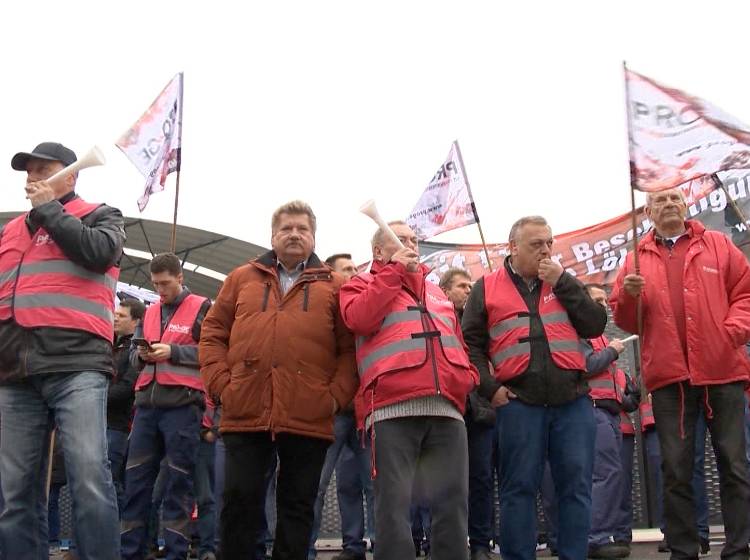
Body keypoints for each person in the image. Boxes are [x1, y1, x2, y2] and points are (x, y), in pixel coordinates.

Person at [200, 200, 358, 560]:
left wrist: (333, 398)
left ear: (314, 237)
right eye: (286, 228)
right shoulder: (241, 278)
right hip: (245, 407)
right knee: (238, 503)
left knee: (298, 506)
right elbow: (212, 333)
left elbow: (349, 350)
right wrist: (223, 385)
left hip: (309, 411)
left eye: (302, 228)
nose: (294, 234)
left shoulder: (334, 285)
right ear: (273, 235)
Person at [611, 187, 750, 560]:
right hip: (671, 382)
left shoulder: (718, 244)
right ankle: (684, 549)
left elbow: (746, 294)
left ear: (685, 206)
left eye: (675, 198)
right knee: (675, 469)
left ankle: (739, 547)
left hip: (722, 373)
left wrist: (731, 332)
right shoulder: (635, 260)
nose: (669, 204)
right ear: (647, 211)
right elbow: (625, 320)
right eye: (661, 201)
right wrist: (627, 296)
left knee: (735, 465)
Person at [0, 142, 124, 559]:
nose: (34, 177)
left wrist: (51, 210)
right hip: (14, 371)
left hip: (77, 364)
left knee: (89, 476)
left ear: (70, 176)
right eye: (29, 171)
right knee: (15, 490)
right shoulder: (11, 230)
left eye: (45, 170)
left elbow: (99, 253)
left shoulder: (101, 215)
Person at [462, 215, 606, 560]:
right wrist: (490, 388)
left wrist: (565, 282)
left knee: (576, 488)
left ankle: (573, 554)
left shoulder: (565, 281)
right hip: (518, 404)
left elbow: (594, 324)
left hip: (572, 401)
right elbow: (469, 345)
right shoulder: (486, 288)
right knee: (518, 490)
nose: (545, 251)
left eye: (549, 243)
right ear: (512, 248)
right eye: (536, 244)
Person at [339, 220, 478, 560]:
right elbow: (359, 319)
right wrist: (393, 273)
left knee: (453, 505)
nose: (410, 244)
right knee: (393, 507)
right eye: (399, 239)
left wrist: (468, 378)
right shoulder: (360, 284)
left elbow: (456, 340)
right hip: (390, 410)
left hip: (446, 409)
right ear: (377, 251)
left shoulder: (437, 292)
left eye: (413, 239)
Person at [120, 252, 212, 560]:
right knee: (135, 485)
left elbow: (212, 353)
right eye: (156, 284)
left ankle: (176, 553)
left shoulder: (202, 307)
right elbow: (133, 357)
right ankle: (131, 552)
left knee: (178, 484)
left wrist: (171, 351)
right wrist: (142, 356)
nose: (160, 290)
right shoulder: (148, 312)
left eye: (166, 283)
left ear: (180, 278)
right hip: (146, 407)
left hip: (183, 407)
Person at [308, 253, 374, 560]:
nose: (354, 273)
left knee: (371, 485)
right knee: (317, 485)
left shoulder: (365, 305)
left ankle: (362, 546)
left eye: (355, 268)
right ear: (330, 274)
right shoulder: (320, 309)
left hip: (364, 411)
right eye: (346, 269)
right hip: (331, 412)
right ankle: (303, 549)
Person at [441, 267, 496, 560]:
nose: (468, 290)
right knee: (446, 481)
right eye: (462, 286)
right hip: (448, 410)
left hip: (481, 412)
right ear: (445, 291)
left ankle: (480, 544)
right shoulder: (436, 319)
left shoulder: (485, 323)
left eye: (471, 286)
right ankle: (444, 542)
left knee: (481, 479)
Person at [582, 284, 630, 559]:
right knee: (603, 474)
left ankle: (602, 535)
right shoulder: (582, 332)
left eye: (605, 300)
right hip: (594, 409)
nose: (604, 304)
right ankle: (596, 538)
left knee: (608, 474)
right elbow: (586, 366)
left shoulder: (598, 335)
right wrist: (612, 351)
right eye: (597, 300)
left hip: (608, 411)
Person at [110, 298, 146, 515]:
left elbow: (127, 388)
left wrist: (95, 397)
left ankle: (116, 540)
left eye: (122, 315)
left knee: (112, 484)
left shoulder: (135, 350)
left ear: (136, 322)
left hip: (118, 427)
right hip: (103, 423)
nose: (115, 318)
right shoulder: (111, 345)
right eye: (115, 313)